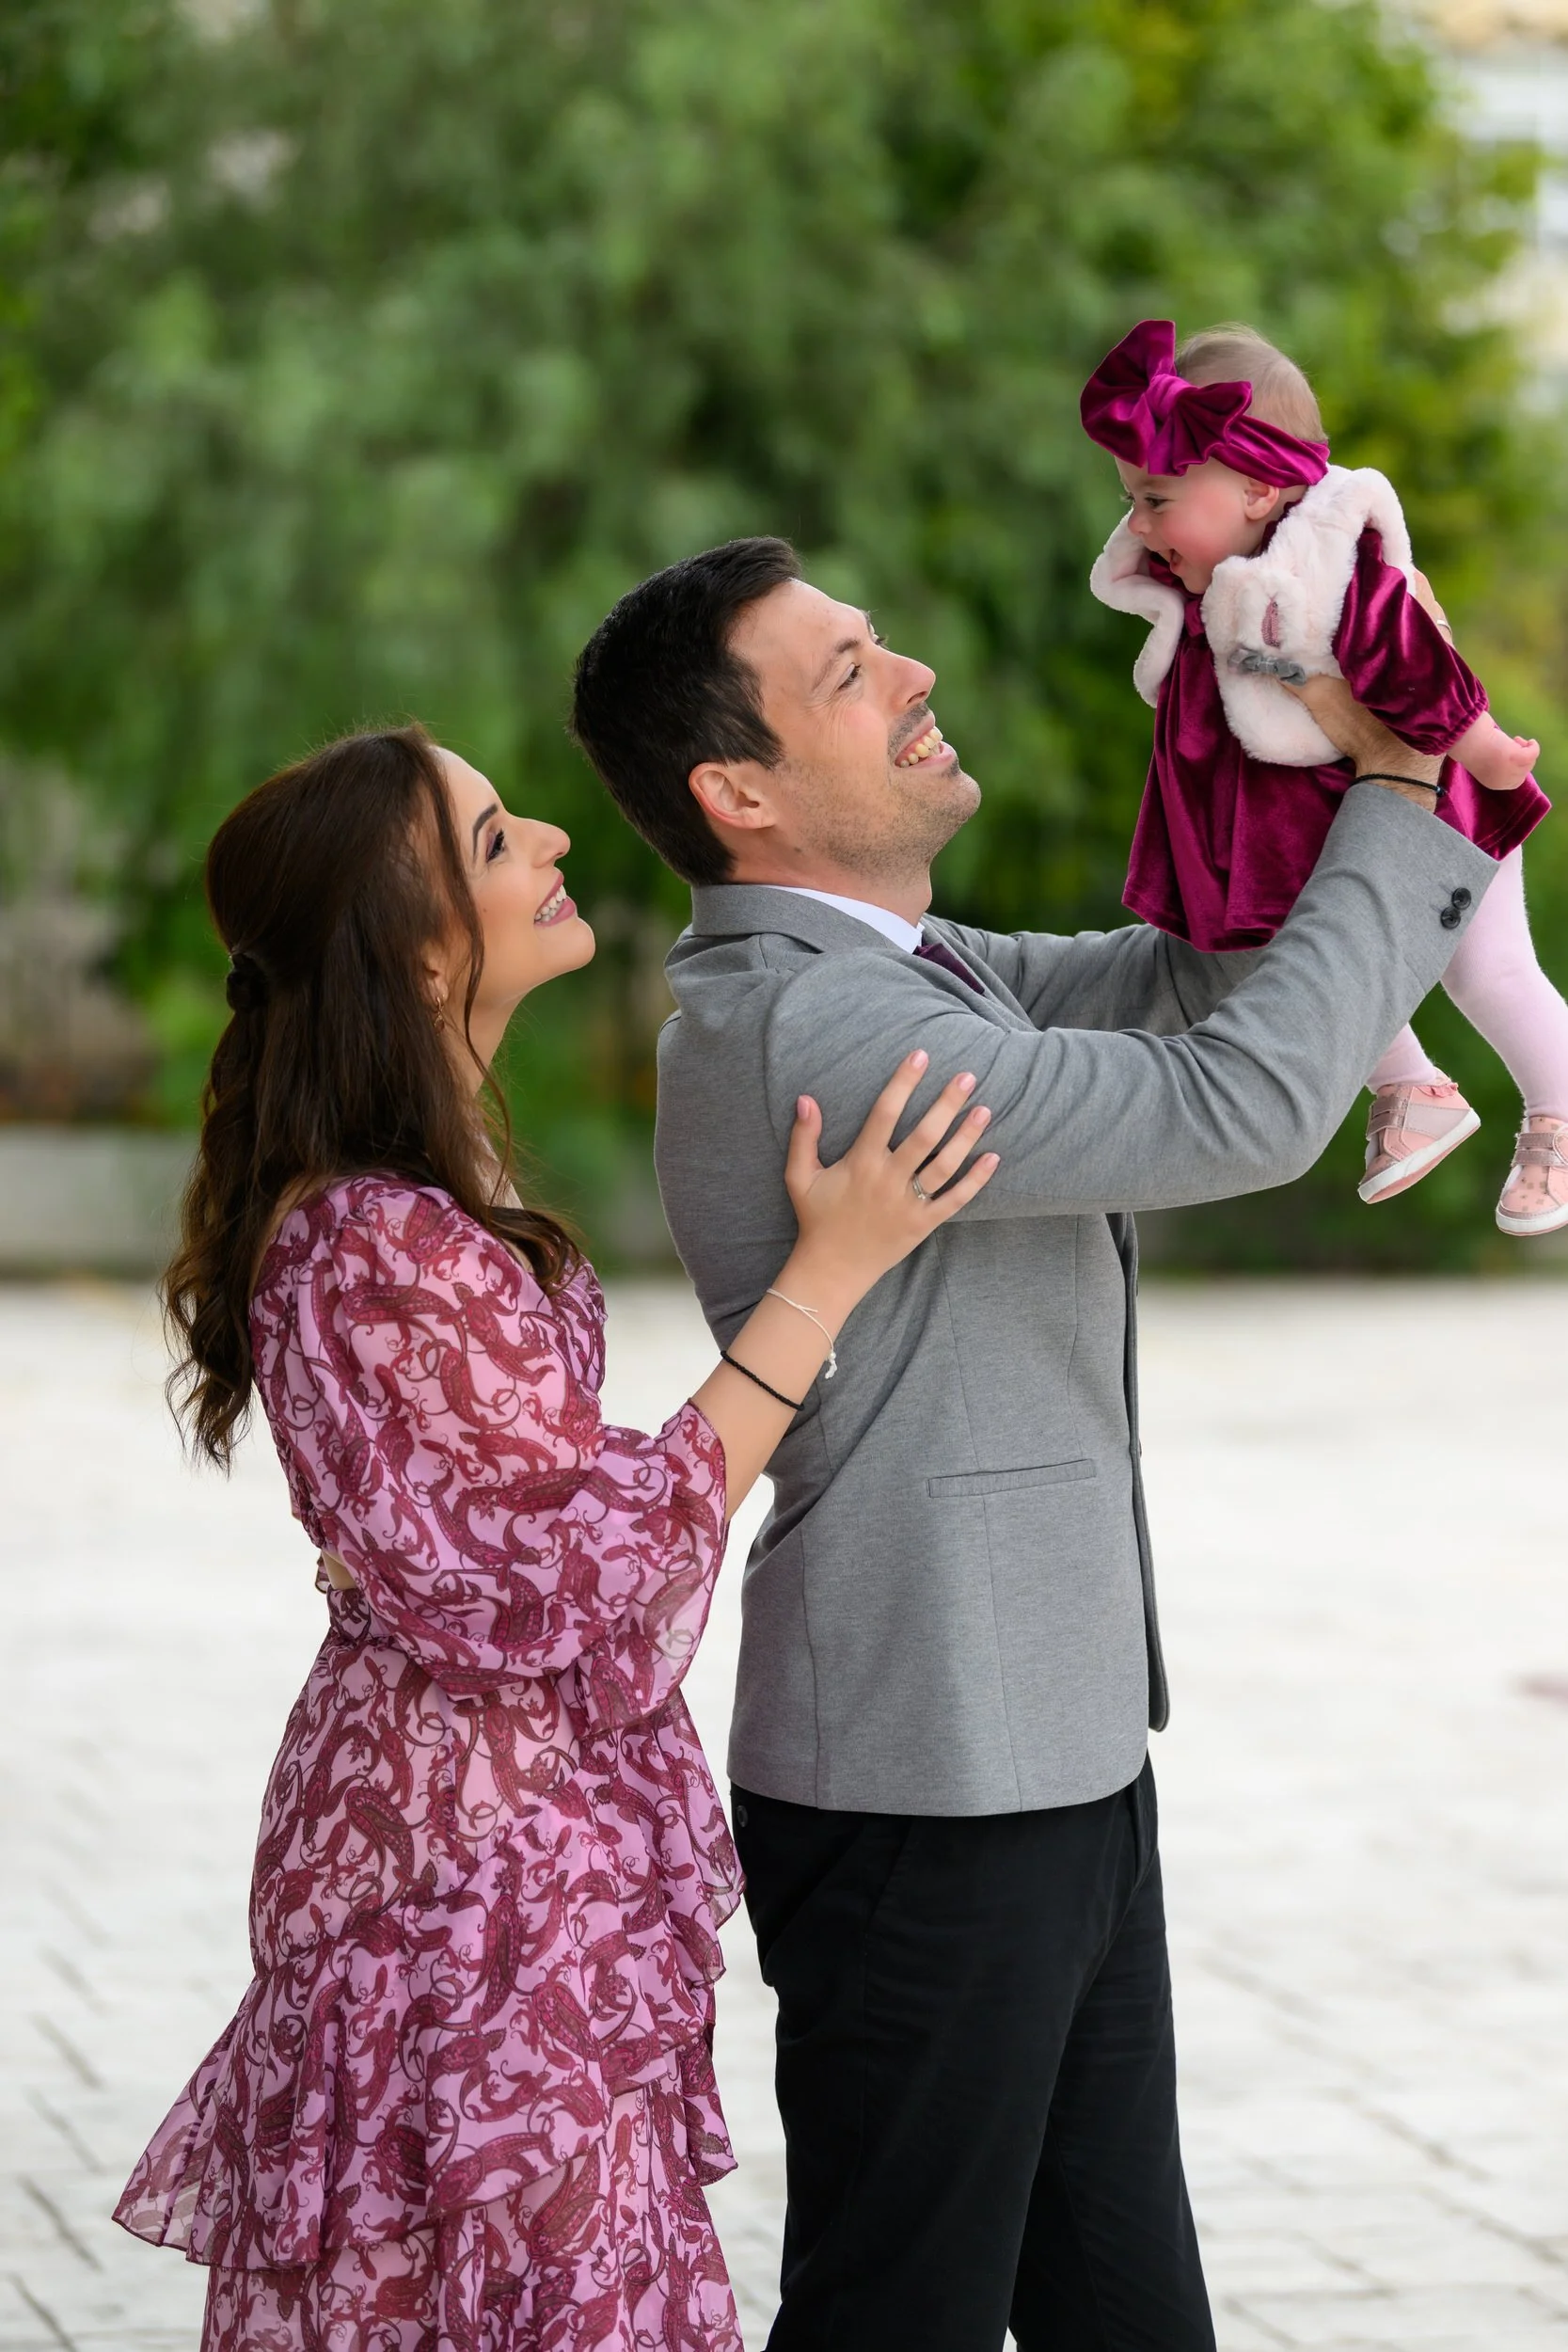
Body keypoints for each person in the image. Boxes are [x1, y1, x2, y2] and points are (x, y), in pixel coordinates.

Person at [570, 535, 1499, 2352]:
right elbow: (1237, 1104)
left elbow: (1178, 980)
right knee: (898, 2311)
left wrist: (1291, 743)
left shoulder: (917, 969)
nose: (911, 672)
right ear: (736, 791)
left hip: (1043, 1744)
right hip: (924, 1771)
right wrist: (1400, 798)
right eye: (848, 671)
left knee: (1122, 2306)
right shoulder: (819, 1020)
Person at [111, 721, 999, 2351]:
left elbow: (521, 1515)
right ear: (414, 927)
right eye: (500, 834)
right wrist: (827, 1277)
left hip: (494, 1841)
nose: (560, 845)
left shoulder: (413, 1200)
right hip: (463, 1875)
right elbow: (553, 1573)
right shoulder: (374, 1234)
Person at [1082, 316, 1568, 1235]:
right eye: (1131, 502)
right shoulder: (1214, 591)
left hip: (1437, 817)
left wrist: (1484, 751)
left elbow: (1412, 653)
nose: (1137, 528)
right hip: (1309, 835)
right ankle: (1410, 1088)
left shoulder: (1326, 570)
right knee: (1289, 956)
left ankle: (1558, 1108)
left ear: (1261, 490)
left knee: (1488, 970)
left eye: (1154, 500)